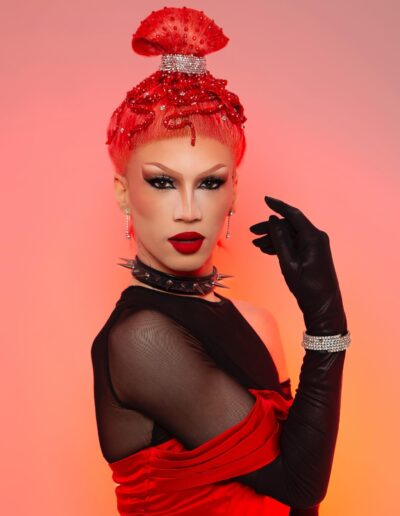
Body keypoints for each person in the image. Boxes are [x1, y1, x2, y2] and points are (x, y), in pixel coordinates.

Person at [90, 7, 351, 516]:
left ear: (234, 191)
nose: (189, 209)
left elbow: (303, 499)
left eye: (209, 182)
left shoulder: (258, 323)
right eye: (162, 182)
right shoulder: (141, 338)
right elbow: (297, 485)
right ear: (124, 194)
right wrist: (326, 317)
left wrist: (322, 317)